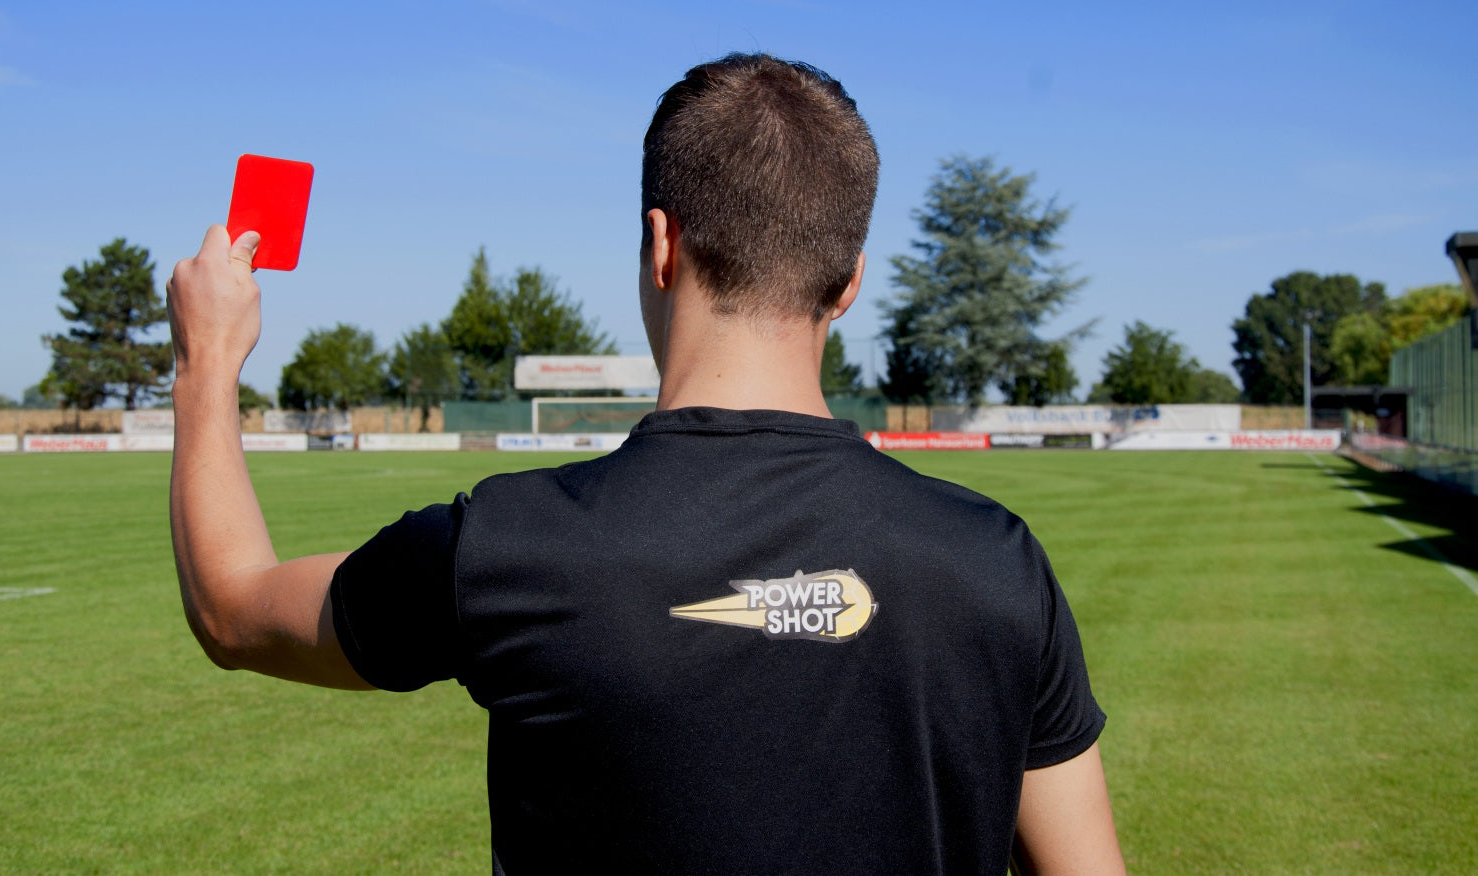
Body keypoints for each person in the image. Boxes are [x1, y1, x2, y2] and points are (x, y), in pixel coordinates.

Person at [167, 53, 1125, 875]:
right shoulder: (998, 563)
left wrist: (207, 359)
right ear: (849, 282)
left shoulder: (508, 546)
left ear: (660, 244)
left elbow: (232, 608)